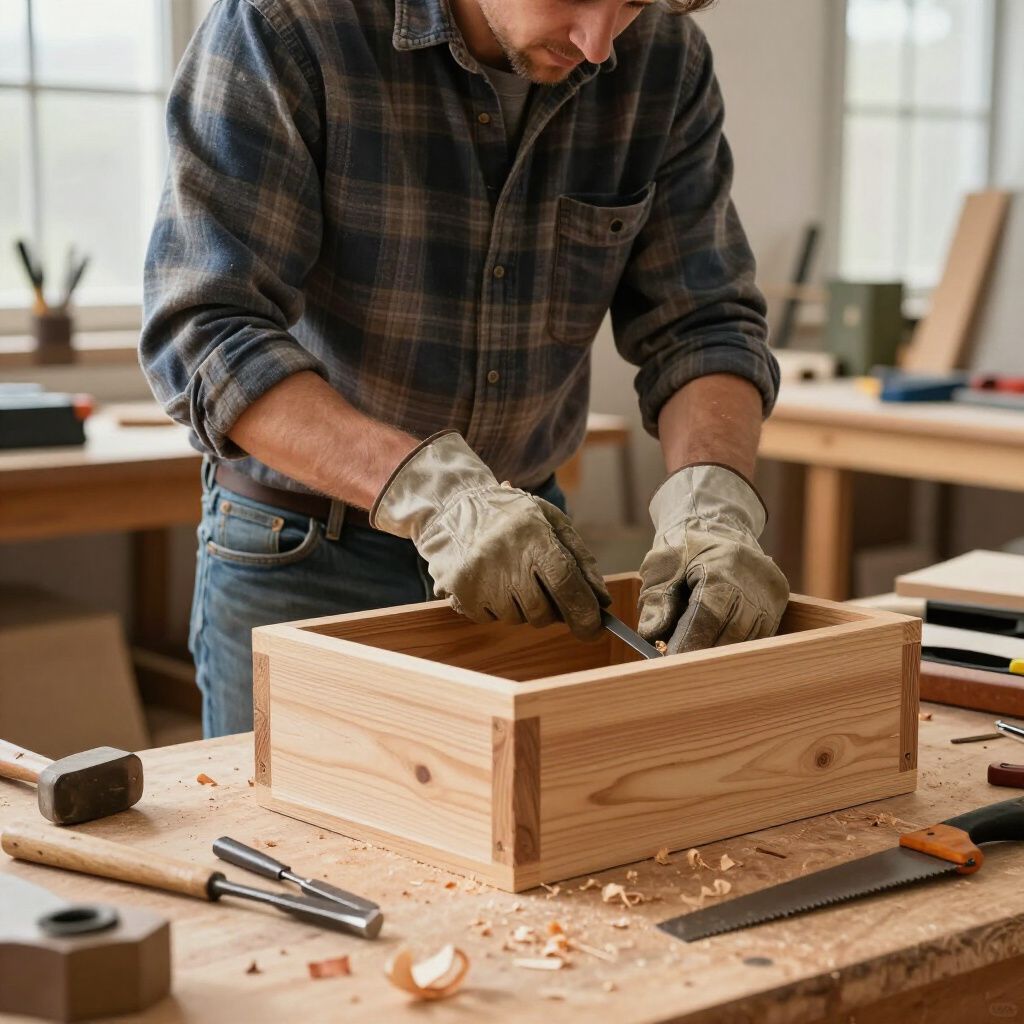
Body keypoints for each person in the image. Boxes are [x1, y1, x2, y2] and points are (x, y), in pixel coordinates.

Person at [141, 0, 789, 738]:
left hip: (529, 562)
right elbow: (205, 330)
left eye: (633, 4)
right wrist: (434, 496)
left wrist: (713, 506)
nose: (600, 42)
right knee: (290, 848)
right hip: (305, 557)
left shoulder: (665, 61)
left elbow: (703, 323)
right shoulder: (288, 21)